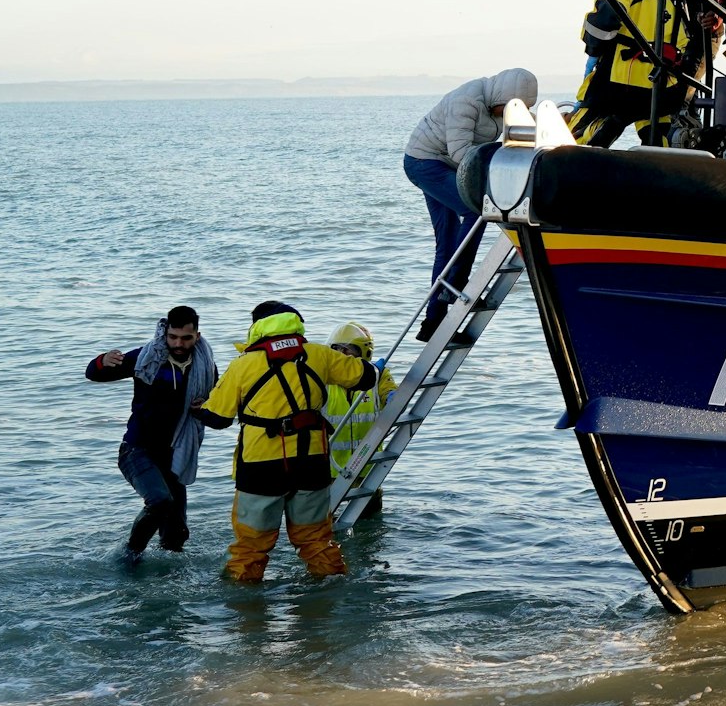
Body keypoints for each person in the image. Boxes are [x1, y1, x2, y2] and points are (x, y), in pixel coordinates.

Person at [194, 301, 378, 583]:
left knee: (250, 548)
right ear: (295, 323)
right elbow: (366, 378)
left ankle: (245, 615)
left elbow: (217, 418)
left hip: (260, 466)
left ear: (256, 327)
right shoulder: (319, 355)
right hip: (312, 461)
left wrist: (199, 406)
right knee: (316, 541)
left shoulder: (244, 364)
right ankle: (327, 606)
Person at [405, 69, 539, 336]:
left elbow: (528, 129)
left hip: (448, 165)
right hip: (426, 163)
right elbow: (459, 152)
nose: (506, 114)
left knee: (447, 243)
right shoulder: (466, 101)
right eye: (508, 107)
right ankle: (456, 284)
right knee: (474, 210)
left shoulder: (500, 105)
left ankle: (433, 321)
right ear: (502, 96)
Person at [85, 306, 218, 560]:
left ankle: (169, 587)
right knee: (159, 501)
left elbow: (219, 418)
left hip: (175, 455)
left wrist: (202, 411)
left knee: (176, 537)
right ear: (166, 333)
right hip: (137, 450)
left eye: (186, 338)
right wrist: (102, 361)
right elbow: (93, 374)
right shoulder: (147, 357)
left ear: (197, 336)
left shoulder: (206, 368)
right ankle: (129, 557)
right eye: (173, 337)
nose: (178, 343)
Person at [570, 0, 697, 148]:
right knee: (655, 133)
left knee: (585, 123)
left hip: (620, 82)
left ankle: (566, 161)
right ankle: (663, 168)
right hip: (663, 85)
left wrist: (593, 51)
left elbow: (602, 20)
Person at [325, 322, 394, 517]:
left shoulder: (378, 375)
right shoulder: (321, 378)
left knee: (371, 522)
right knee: (323, 527)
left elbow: (389, 391)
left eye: (349, 350)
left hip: (367, 467)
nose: (344, 355)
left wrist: (393, 398)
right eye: (339, 349)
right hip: (328, 470)